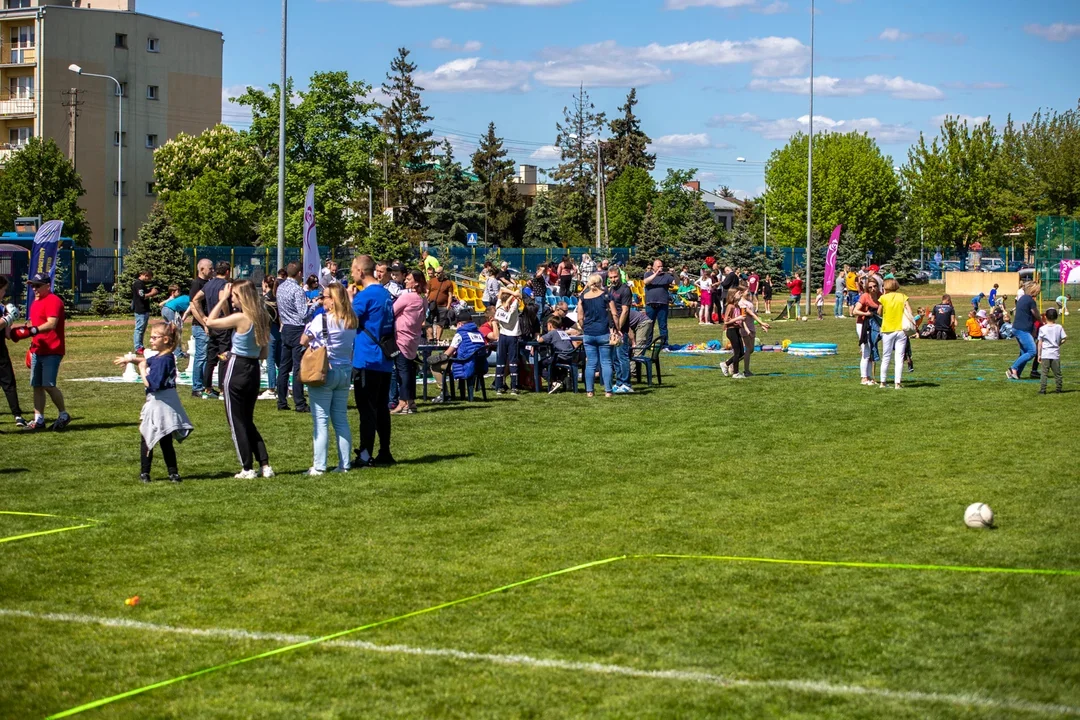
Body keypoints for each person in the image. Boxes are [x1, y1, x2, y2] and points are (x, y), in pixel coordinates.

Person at [205, 279, 274, 479]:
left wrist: (222, 300)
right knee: (247, 420)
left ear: (241, 296)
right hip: (253, 369)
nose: (232, 299)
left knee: (236, 421)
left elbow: (210, 321)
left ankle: (247, 467)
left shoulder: (240, 318)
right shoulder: (262, 317)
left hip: (236, 368)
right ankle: (265, 464)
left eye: (234, 295)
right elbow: (263, 353)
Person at [113, 322, 192, 483]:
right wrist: (130, 359)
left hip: (159, 403)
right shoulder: (164, 357)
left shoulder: (163, 360)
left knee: (148, 437)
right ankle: (172, 473)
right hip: (166, 402)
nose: (151, 340)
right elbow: (147, 360)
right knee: (165, 439)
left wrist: (141, 369)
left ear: (165, 339)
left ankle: (146, 473)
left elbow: (153, 385)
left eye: (154, 337)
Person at [300, 284, 358, 475]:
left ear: (332, 300)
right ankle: (344, 464)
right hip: (344, 372)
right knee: (341, 419)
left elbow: (303, 340)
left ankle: (319, 466)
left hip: (326, 371)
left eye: (324, 296)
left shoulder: (321, 319)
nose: (321, 299)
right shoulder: (351, 320)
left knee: (321, 421)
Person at [350, 255, 396, 467]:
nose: (351, 273)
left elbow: (348, 321)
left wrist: (349, 300)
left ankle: (365, 453)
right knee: (381, 408)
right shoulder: (385, 294)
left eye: (352, 269)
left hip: (366, 359)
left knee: (366, 410)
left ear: (360, 271)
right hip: (384, 360)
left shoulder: (364, 296)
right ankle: (384, 451)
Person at [10, 274, 72, 430]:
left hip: (52, 349)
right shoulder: (35, 303)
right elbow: (33, 323)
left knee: (48, 385)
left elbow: (51, 324)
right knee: (36, 385)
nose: (34, 289)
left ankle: (64, 415)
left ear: (47, 285)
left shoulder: (53, 301)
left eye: (37, 285)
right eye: (32, 286)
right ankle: (39, 420)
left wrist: (33, 330)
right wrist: (28, 336)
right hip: (37, 348)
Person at [426, 308, 488, 402]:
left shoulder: (460, 334)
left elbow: (448, 354)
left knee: (435, 366)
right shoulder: (479, 333)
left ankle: (444, 393)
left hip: (465, 365)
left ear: (460, 324)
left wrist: (436, 358)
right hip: (480, 365)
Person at [191, 261, 233, 399]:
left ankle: (207, 388)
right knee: (224, 356)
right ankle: (222, 389)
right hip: (222, 324)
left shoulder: (209, 283)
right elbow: (223, 300)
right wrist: (228, 317)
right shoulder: (223, 285)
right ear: (227, 272)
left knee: (211, 357)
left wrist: (204, 318)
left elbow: (196, 299)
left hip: (212, 325)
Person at [275, 263, 311, 412]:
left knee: (284, 367)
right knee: (297, 367)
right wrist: (314, 305)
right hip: (297, 329)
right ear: (299, 273)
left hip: (285, 327)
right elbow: (303, 314)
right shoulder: (297, 290)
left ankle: (281, 401)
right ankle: (299, 403)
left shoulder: (280, 287)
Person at [578, 272, 620, 398]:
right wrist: (617, 328)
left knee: (590, 363)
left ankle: (589, 391)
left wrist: (584, 327)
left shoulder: (583, 297)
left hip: (589, 333)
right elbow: (614, 314)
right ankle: (608, 391)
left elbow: (580, 317)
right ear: (601, 282)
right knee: (606, 362)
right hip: (603, 332)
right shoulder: (606, 296)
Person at [391, 270, 426, 415]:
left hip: (401, 338)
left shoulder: (407, 297)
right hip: (413, 338)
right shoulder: (422, 299)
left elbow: (391, 311)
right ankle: (411, 402)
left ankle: (403, 402)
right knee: (409, 371)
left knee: (402, 371)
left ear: (416, 282)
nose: (405, 281)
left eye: (409, 279)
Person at [0, 276, 26, 428]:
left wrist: (26, 331)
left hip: (1, 350)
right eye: (3, 290)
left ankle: (17, 415)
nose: (4, 293)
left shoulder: (2, 307)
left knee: (9, 382)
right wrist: (9, 318)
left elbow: (8, 334)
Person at [877, 278, 912, 389]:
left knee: (886, 356)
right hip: (901, 329)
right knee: (899, 357)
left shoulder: (883, 298)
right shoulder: (902, 296)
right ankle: (897, 383)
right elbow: (909, 311)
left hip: (887, 329)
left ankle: (883, 382)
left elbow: (879, 312)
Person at [186, 259, 213, 398]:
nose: (212, 270)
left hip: (207, 324)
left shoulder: (208, 283)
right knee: (201, 356)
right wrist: (204, 323)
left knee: (207, 356)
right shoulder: (197, 284)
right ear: (202, 269)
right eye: (210, 268)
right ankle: (197, 387)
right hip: (200, 326)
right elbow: (193, 306)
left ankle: (205, 385)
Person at [1008, 282, 1041, 381]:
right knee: (1032, 351)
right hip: (1022, 329)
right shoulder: (1030, 300)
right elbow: (1035, 313)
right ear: (1034, 290)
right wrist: (1041, 321)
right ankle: (1013, 368)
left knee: (1024, 352)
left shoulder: (1022, 298)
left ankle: (1017, 373)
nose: (1038, 293)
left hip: (1017, 327)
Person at [608, 265, 634, 393]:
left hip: (621, 328)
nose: (613, 279)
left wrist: (619, 328)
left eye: (615, 277)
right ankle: (618, 383)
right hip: (613, 328)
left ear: (620, 276)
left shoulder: (625, 290)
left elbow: (625, 311)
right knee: (615, 357)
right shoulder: (611, 290)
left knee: (622, 356)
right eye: (611, 277)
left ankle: (626, 384)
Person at [493, 285, 523, 395]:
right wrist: (514, 294)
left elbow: (501, 290)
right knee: (512, 361)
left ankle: (498, 386)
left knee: (501, 361)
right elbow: (516, 295)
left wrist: (511, 294)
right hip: (512, 336)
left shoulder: (498, 307)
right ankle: (514, 387)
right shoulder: (513, 308)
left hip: (503, 336)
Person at [539, 316, 580, 393]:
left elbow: (540, 340)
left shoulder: (552, 332)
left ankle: (553, 381)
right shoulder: (563, 332)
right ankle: (558, 380)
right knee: (553, 363)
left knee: (538, 365)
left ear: (550, 325)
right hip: (570, 356)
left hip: (560, 356)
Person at [853, 277, 882, 385]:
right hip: (863, 325)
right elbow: (855, 311)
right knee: (866, 351)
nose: (873, 289)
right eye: (870, 287)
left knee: (872, 351)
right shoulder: (865, 296)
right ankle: (863, 378)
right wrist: (866, 314)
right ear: (867, 288)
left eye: (874, 286)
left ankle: (869, 377)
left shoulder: (880, 296)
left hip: (874, 325)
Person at [737, 287, 770, 376]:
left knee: (750, 350)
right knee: (748, 349)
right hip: (745, 328)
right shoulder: (741, 303)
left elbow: (755, 314)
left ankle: (732, 362)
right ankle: (746, 371)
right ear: (742, 292)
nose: (748, 292)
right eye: (747, 291)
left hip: (752, 327)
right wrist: (762, 323)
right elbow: (750, 314)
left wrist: (761, 325)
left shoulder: (749, 301)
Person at [642, 259, 675, 348]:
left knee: (663, 325)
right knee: (649, 325)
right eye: (658, 266)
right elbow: (645, 282)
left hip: (662, 304)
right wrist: (656, 274)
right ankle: (648, 344)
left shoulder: (666, 276)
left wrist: (674, 274)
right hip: (650, 304)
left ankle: (664, 344)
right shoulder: (648, 274)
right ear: (653, 267)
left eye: (661, 266)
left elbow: (677, 283)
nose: (660, 268)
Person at [1036, 307, 1067, 394]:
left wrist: (1039, 354)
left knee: (1044, 373)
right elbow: (1064, 338)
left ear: (1045, 317)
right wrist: (1058, 344)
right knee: (1057, 373)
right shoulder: (1059, 327)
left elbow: (1040, 343)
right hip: (1055, 353)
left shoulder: (1043, 329)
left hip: (1045, 353)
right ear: (1056, 317)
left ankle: (1043, 390)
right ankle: (1059, 389)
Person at [259, 276, 281, 401]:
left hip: (269, 331)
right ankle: (284, 386)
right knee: (279, 361)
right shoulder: (277, 298)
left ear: (265, 284)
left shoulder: (264, 299)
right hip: (279, 330)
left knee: (270, 361)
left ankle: (271, 388)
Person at [720, 289, 747, 379]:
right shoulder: (730, 306)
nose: (740, 294)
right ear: (733, 295)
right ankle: (735, 373)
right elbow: (726, 321)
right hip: (731, 331)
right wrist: (738, 318)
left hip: (736, 330)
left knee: (742, 352)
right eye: (738, 293)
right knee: (737, 352)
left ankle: (726, 364)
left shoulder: (738, 306)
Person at [131, 269, 159, 352]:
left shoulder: (142, 284)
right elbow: (142, 296)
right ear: (145, 275)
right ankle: (137, 347)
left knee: (142, 329)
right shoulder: (138, 284)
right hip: (140, 309)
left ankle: (141, 346)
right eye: (149, 278)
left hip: (145, 309)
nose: (149, 280)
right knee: (139, 329)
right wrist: (152, 293)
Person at [160, 285, 190, 359]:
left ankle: (168, 349)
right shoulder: (191, 300)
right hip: (170, 311)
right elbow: (187, 312)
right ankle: (178, 353)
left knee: (170, 331)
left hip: (164, 310)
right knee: (176, 332)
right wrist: (182, 320)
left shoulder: (184, 298)